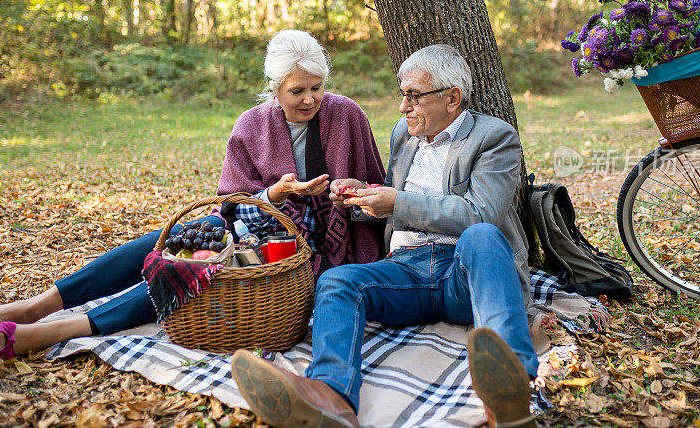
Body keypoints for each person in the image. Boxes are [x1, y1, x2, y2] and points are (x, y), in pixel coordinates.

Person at [0, 29, 386, 360]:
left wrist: (349, 194)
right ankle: (35, 306)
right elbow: (230, 206)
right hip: (256, 226)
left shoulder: (346, 114)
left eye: (316, 87)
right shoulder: (250, 126)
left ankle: (53, 330)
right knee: (192, 234)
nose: (310, 99)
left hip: (315, 252)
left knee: (198, 269)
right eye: (297, 90)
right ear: (276, 88)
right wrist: (274, 196)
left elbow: (375, 202)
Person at [230, 43, 539, 428]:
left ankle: (511, 390)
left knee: (482, 235)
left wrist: (397, 203)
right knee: (337, 281)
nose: (402, 107)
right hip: (406, 273)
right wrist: (361, 195)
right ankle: (331, 398)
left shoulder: (493, 137)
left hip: (465, 273)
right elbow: (395, 197)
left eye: (413, 96)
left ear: (452, 97)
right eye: (402, 94)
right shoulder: (404, 133)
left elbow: (481, 213)